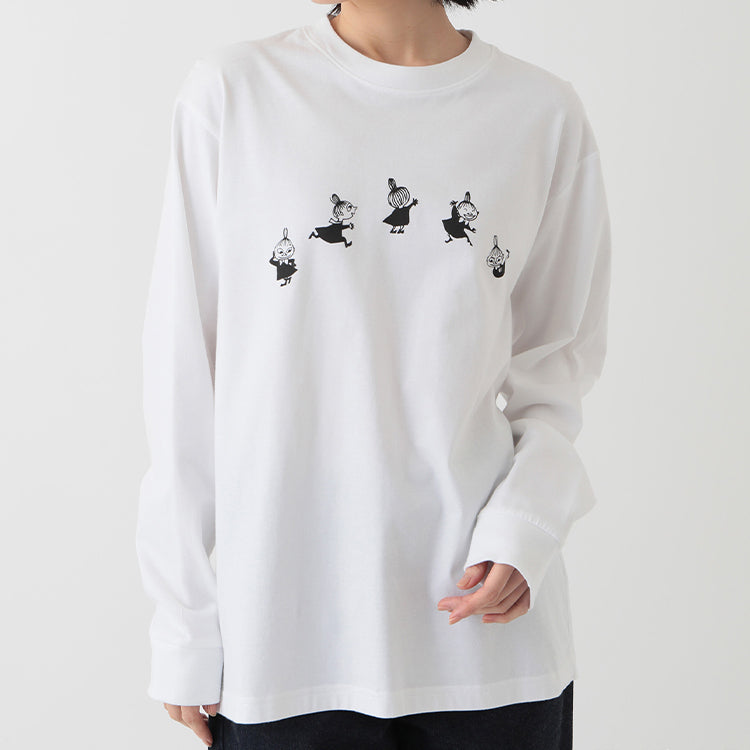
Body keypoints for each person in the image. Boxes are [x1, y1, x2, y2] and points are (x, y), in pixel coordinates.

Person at [135, 0, 612, 747]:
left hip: (485, 641)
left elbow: (558, 363)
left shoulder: (541, 113)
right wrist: (183, 623)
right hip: (287, 644)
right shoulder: (235, 91)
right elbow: (183, 377)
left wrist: (527, 527)